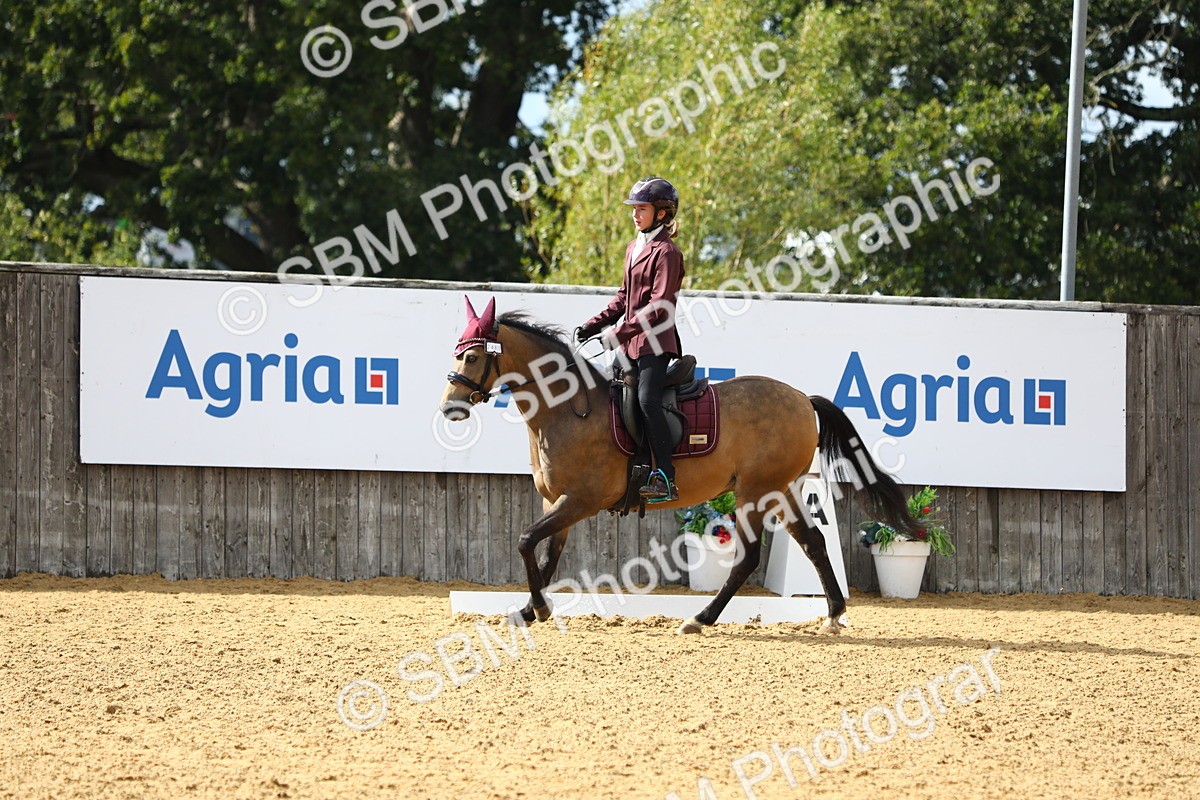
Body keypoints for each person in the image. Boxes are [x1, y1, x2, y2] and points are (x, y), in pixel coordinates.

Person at [576, 176, 686, 502]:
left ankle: (665, 476)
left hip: (654, 343)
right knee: (608, 397)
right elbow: (623, 299)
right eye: (634, 209)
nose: (635, 215)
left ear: (662, 213)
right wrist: (593, 325)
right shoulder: (633, 247)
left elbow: (659, 306)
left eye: (642, 208)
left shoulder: (667, 252)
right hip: (628, 345)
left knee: (647, 400)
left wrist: (618, 332)